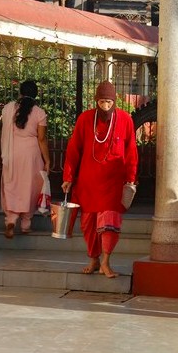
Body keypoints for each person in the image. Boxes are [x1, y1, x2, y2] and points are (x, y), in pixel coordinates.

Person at [61, 80, 138, 278]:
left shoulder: (125, 119)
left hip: (113, 182)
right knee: (88, 223)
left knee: (110, 222)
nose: (105, 106)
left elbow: (131, 151)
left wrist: (130, 178)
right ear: (96, 101)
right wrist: (68, 176)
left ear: (115, 102)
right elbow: (73, 150)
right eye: (102, 102)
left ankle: (106, 261)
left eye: (109, 102)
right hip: (88, 182)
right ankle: (93, 259)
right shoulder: (85, 119)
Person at [0, 80, 51, 239]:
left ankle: (11, 219)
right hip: (31, 154)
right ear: (36, 95)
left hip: (12, 152)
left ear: (20, 93)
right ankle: (26, 224)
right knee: (30, 187)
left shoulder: (8, 109)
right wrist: (47, 160)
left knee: (12, 183)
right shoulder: (39, 112)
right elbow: (41, 139)